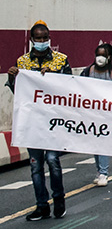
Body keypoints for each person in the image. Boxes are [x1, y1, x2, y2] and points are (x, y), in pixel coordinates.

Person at [7, 23, 71, 221]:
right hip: (32, 122)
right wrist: (12, 79)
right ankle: (41, 206)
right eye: (38, 38)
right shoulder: (23, 62)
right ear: (32, 40)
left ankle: (59, 200)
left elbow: (70, 88)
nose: (42, 42)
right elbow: (19, 93)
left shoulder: (61, 61)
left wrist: (52, 78)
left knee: (53, 160)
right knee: (35, 165)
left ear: (50, 38)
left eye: (45, 38)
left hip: (53, 121)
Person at [79, 43, 112, 187]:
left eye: (103, 55)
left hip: (108, 116)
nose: (100, 58)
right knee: (95, 144)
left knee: (103, 142)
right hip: (92, 115)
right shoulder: (87, 72)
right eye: (98, 55)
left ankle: (104, 173)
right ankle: (99, 171)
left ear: (109, 57)